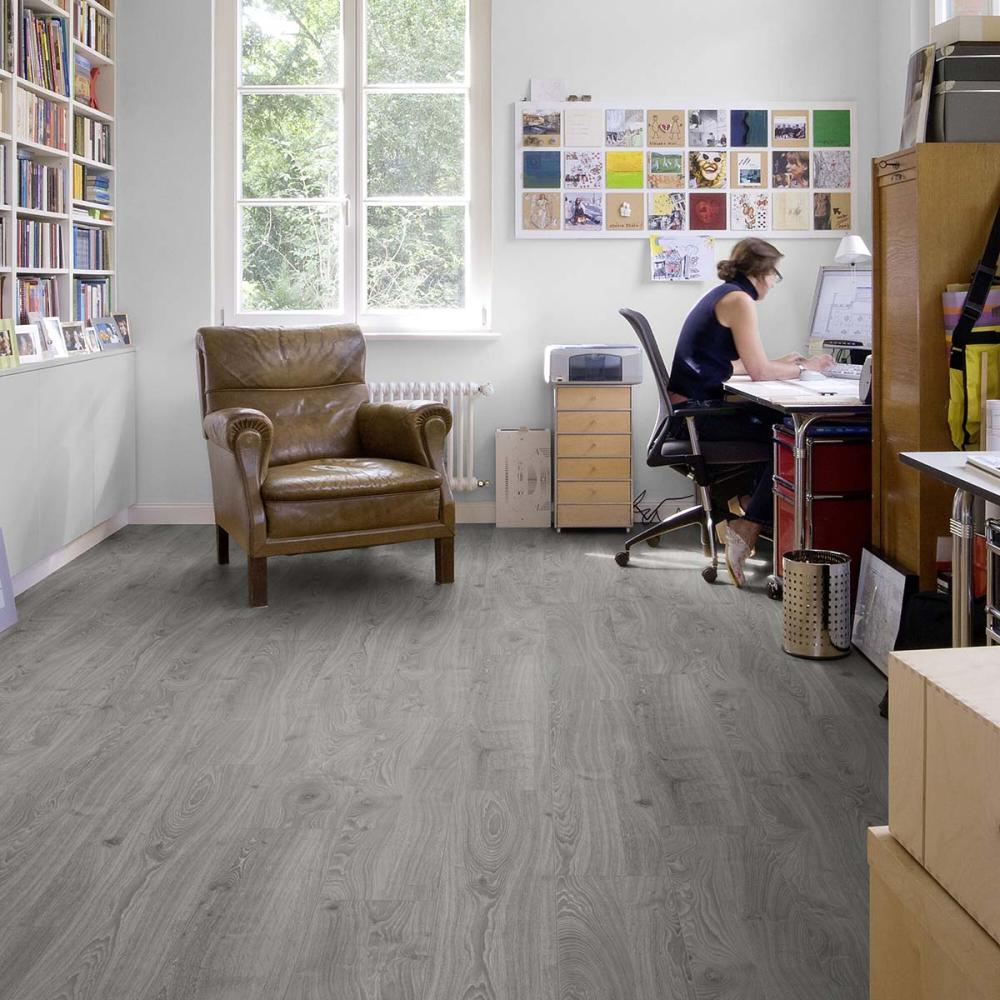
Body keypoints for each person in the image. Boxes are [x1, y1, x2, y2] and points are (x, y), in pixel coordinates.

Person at [667, 238, 834, 587]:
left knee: (778, 423)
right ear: (761, 272)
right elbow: (758, 372)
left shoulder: (724, 294)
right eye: (774, 274)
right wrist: (807, 368)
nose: (773, 283)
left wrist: (782, 364)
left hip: (690, 413)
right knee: (791, 437)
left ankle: (746, 503)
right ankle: (748, 524)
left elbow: (730, 366)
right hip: (696, 419)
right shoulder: (740, 300)